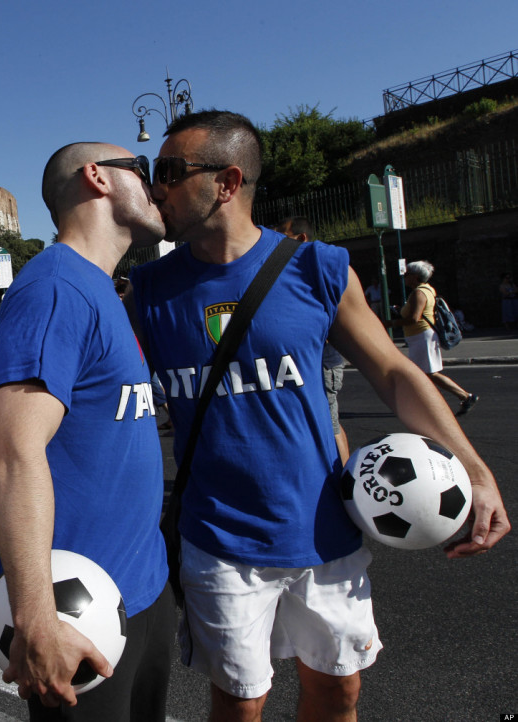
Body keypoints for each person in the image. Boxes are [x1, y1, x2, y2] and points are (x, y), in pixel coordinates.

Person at [126, 110, 509, 721]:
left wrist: (476, 472)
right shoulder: (147, 291)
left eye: (169, 171)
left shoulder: (317, 269)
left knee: (338, 691)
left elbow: (394, 372)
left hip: (325, 529)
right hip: (218, 539)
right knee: (240, 704)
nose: (156, 186)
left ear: (227, 182)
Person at [0, 142, 173, 720]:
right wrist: (38, 618)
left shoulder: (103, 288)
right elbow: (16, 455)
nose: (159, 186)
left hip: (142, 589)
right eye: (145, 172)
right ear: (97, 177)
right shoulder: (54, 289)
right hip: (77, 611)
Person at [275, 217, 350, 463]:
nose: (276, 240)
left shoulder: (318, 271)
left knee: (330, 426)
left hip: (326, 363)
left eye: (282, 234)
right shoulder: (302, 272)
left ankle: (342, 478)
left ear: (301, 238)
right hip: (320, 364)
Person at [386, 260, 478, 416]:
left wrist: (390, 323)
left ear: (415, 276)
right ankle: (459, 397)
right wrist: (401, 310)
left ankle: (464, 396)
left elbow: (415, 318)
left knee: (427, 374)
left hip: (421, 336)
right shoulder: (427, 290)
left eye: (407, 274)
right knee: (424, 374)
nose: (404, 277)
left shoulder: (419, 293)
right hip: (420, 337)